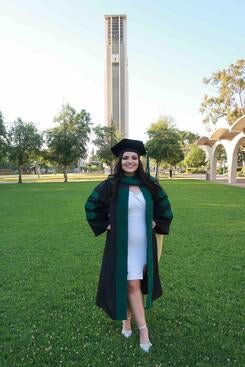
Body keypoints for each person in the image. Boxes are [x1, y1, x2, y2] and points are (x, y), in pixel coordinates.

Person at [84, 138, 173, 352]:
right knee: (132, 285)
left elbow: (165, 208)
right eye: (125, 158)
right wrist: (106, 225)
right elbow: (91, 205)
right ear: (120, 161)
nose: (130, 161)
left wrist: (157, 222)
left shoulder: (149, 185)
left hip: (144, 246)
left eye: (134, 158)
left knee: (131, 284)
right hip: (122, 246)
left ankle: (126, 321)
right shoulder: (111, 185)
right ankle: (144, 331)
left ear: (139, 160)